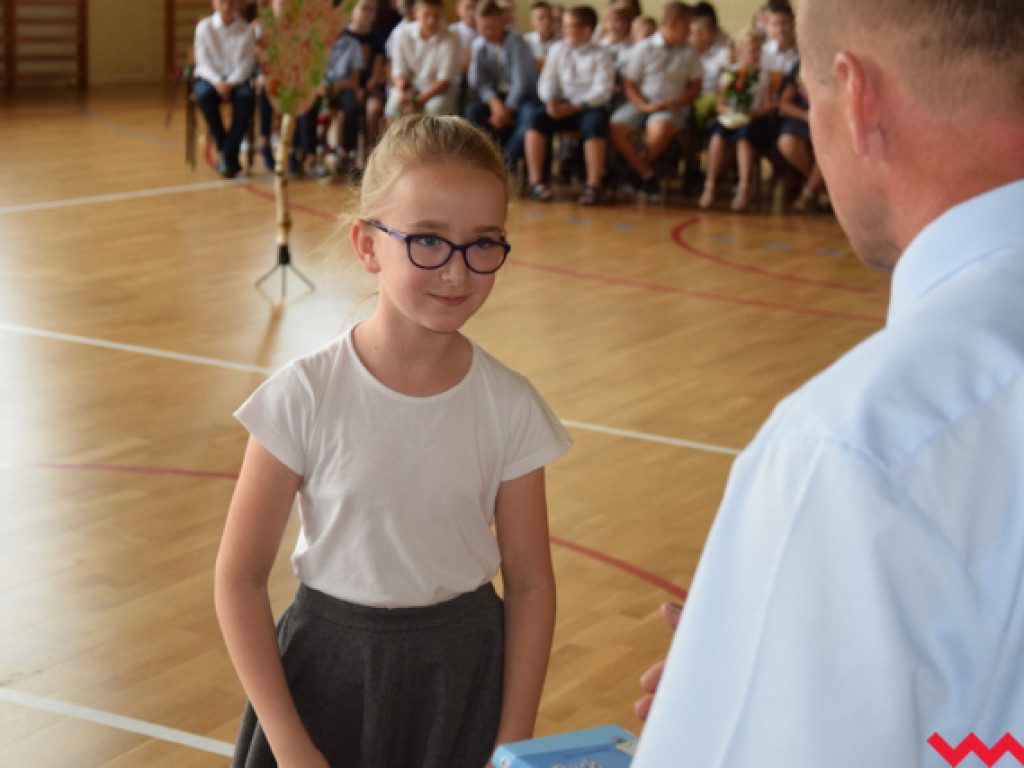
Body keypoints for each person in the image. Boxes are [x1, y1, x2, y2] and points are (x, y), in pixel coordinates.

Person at [632, 0, 1024, 764]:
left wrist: (747, 702)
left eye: (811, 96)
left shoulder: (858, 447)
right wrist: (787, 671)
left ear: (856, 97)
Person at [216, 115, 572, 768]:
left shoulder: (511, 406)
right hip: (326, 678)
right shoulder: (303, 395)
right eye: (428, 240)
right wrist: (291, 746)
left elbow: (529, 586)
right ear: (367, 244)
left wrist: (511, 743)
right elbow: (238, 580)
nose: (457, 271)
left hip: (460, 681)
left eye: (483, 242)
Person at [608, 1, 702, 199]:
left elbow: (696, 86)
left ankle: (635, 172)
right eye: (687, 26)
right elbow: (630, 83)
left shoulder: (689, 52)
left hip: (671, 106)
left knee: (658, 131)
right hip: (641, 102)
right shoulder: (644, 47)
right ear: (673, 23)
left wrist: (678, 102)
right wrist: (644, 106)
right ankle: (646, 174)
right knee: (615, 127)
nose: (690, 31)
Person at [523, 5, 615, 206]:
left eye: (570, 26)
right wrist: (550, 101)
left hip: (588, 106)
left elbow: (602, 91)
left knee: (595, 125)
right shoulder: (558, 49)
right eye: (564, 26)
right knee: (535, 120)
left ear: (587, 30)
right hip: (560, 105)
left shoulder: (601, 55)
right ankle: (536, 182)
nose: (564, 30)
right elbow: (547, 80)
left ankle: (593, 186)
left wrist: (575, 106)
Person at [697, 26, 773, 211]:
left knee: (743, 139)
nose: (757, 54)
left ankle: (744, 188)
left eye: (759, 50)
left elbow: (768, 106)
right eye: (753, 50)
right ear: (739, 51)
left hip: (753, 120)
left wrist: (751, 113)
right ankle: (709, 186)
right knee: (717, 137)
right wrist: (730, 111)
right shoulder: (729, 74)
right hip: (731, 119)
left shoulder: (763, 75)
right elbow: (720, 105)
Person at [464, 0, 540, 167]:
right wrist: (494, 103)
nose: (488, 32)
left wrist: (506, 110)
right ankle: (478, 163)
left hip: (521, 98)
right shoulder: (479, 45)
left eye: (492, 27)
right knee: (472, 111)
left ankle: (504, 165)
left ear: (502, 22)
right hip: (495, 97)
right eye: (483, 28)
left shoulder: (517, 42)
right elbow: (478, 82)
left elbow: (521, 83)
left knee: (530, 118)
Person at [192, 0, 257, 178]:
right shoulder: (204, 27)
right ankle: (228, 150)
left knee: (247, 97)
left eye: (231, 3)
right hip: (211, 78)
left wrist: (230, 83)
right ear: (214, 4)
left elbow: (246, 64)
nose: (227, 7)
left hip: (237, 79)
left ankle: (226, 153)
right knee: (203, 95)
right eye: (222, 2)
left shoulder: (246, 29)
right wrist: (218, 82)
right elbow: (202, 62)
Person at [385, 0, 461, 119]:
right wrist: (402, 90)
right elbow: (399, 71)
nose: (432, 21)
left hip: (438, 91)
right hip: (410, 87)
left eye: (436, 16)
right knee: (393, 109)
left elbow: (444, 81)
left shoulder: (451, 38)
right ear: (416, 13)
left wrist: (416, 103)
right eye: (427, 15)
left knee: (434, 109)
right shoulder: (401, 34)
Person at [340, 0, 388, 170]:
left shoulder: (377, 38)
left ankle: (371, 158)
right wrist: (356, 89)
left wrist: (365, 89)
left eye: (372, 10)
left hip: (370, 89)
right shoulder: (341, 36)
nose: (368, 13)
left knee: (373, 109)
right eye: (364, 8)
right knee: (349, 106)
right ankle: (346, 156)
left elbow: (377, 72)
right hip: (345, 88)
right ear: (352, 9)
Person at [776, 62, 825, 212]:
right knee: (787, 142)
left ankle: (806, 195)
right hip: (804, 115)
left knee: (827, 146)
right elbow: (784, 103)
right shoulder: (800, 64)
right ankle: (822, 189)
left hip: (830, 116)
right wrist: (807, 116)